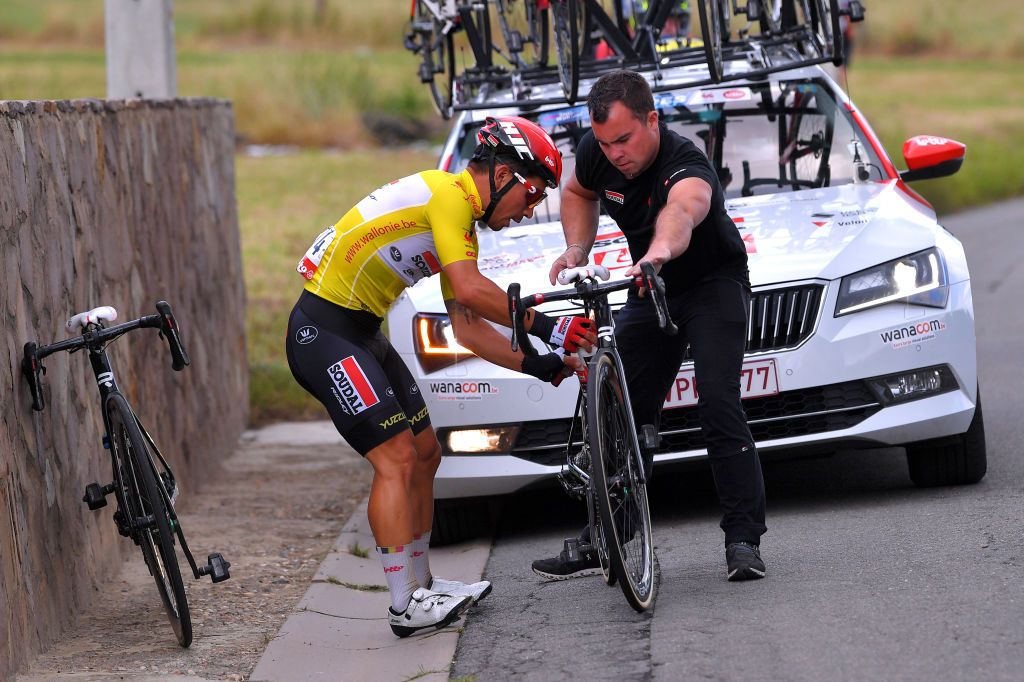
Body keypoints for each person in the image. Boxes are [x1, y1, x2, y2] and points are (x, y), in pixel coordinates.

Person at [286, 116, 597, 636]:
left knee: (427, 451)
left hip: (360, 331)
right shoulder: (448, 194)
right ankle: (403, 604)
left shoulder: (460, 222)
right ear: (501, 174)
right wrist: (550, 325)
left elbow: (469, 329)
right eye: (532, 192)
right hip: (323, 331)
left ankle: (422, 585)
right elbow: (472, 290)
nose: (528, 210)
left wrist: (539, 366)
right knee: (397, 458)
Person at [531, 69, 768, 582]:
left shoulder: (685, 161)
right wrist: (576, 248)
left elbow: (683, 211)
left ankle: (743, 540)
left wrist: (656, 254)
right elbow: (576, 192)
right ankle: (607, 537)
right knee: (620, 409)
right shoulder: (600, 154)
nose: (615, 153)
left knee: (718, 404)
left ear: (652, 120)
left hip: (710, 283)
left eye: (624, 139)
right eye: (604, 143)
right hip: (649, 286)